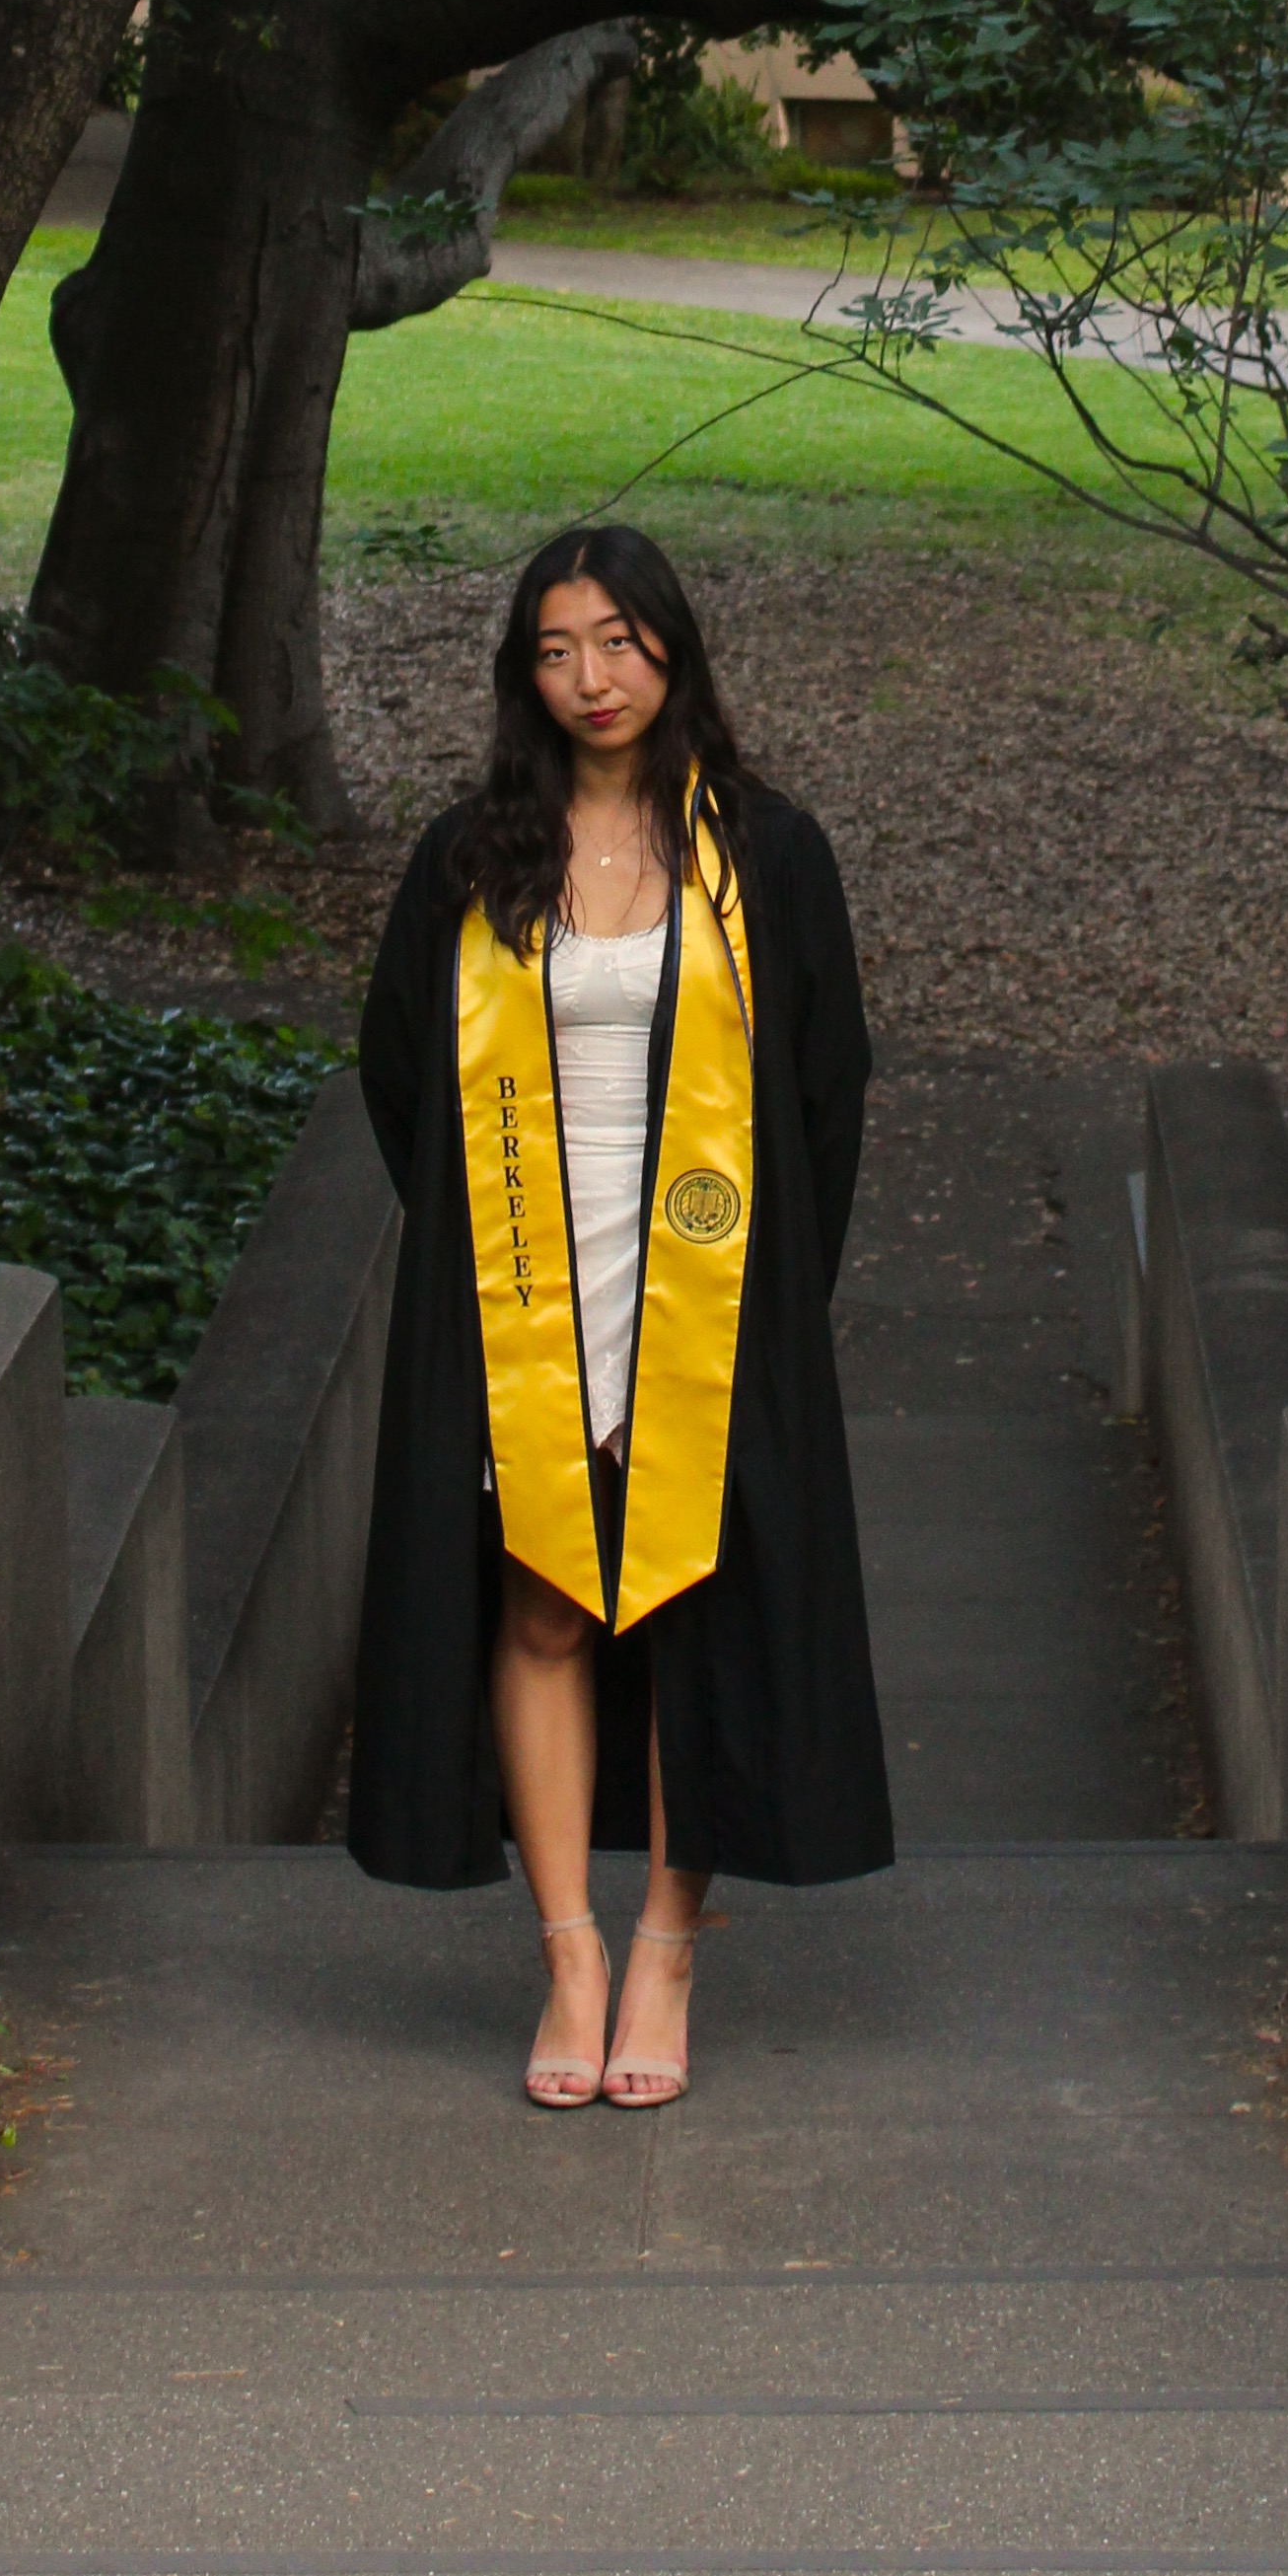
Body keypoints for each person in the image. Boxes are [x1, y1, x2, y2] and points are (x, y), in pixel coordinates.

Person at [349, 524, 892, 2105]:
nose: (594, 680)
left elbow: (826, 1087)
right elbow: (398, 1074)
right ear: (526, 673)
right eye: (558, 650)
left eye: (621, 644)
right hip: (527, 1279)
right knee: (540, 1605)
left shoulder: (767, 854)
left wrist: (769, 1297)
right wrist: (486, 1262)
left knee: (681, 1608)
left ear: (675, 650)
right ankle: (569, 1953)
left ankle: (667, 1947)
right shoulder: (470, 857)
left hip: (705, 1294)